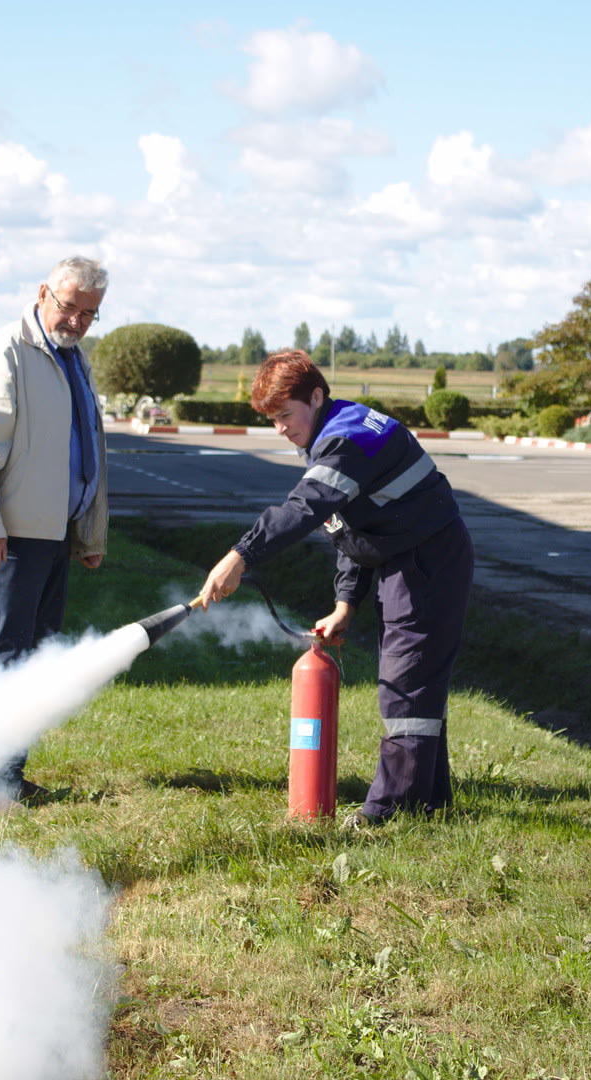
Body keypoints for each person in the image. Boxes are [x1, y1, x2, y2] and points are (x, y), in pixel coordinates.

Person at [198, 350, 474, 826]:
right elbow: (348, 525)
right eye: (272, 420)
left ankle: (391, 813)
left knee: (405, 688)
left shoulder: (347, 440)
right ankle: (429, 802)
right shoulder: (338, 428)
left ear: (317, 397)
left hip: (426, 562)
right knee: (417, 684)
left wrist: (239, 557)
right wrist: (346, 602)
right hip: (411, 556)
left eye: (286, 415)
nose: (280, 429)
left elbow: (305, 508)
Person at [0, 256, 109, 809]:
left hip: (54, 536)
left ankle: (7, 776)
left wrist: (88, 534)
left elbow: (85, 450)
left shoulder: (73, 359)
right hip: (10, 537)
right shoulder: (5, 352)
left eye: (90, 314)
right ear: (44, 292)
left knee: (35, 659)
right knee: (3, 656)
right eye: (70, 308)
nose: (77, 322)